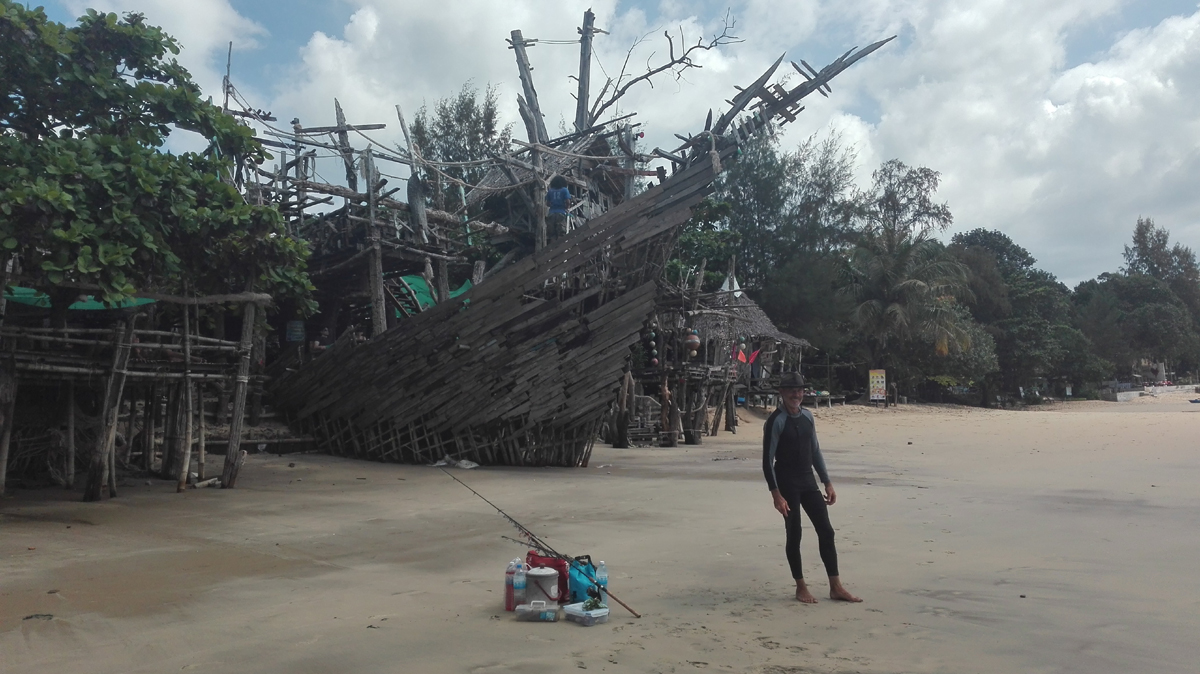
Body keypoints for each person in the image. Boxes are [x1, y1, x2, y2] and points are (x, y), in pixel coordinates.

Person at [762, 372, 861, 603]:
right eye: (791, 390)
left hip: (808, 480)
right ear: (782, 393)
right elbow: (767, 461)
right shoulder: (776, 421)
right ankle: (800, 587)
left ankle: (836, 586)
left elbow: (815, 451)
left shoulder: (807, 417)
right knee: (794, 533)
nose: (796, 394)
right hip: (786, 483)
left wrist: (827, 481)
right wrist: (776, 494)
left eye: (800, 390)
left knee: (826, 531)